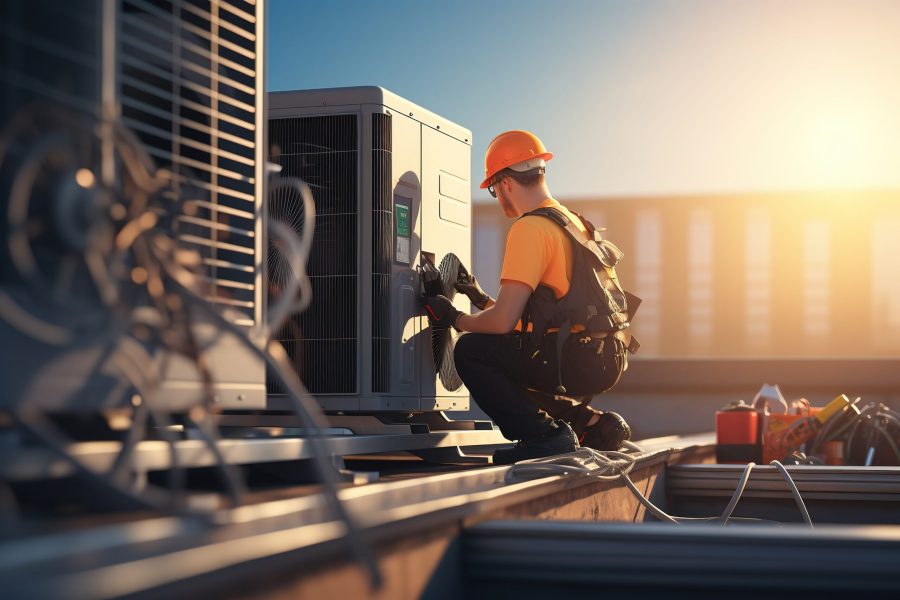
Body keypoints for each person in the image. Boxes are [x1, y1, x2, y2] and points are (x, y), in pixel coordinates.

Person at [423, 130, 634, 464]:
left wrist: (453, 318)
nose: (497, 197)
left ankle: (544, 436)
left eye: (493, 189)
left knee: (473, 351)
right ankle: (590, 424)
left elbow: (503, 323)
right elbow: (543, 315)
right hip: (608, 356)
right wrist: (480, 299)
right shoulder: (572, 222)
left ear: (504, 183)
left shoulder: (529, 228)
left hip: (574, 358)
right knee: (512, 356)